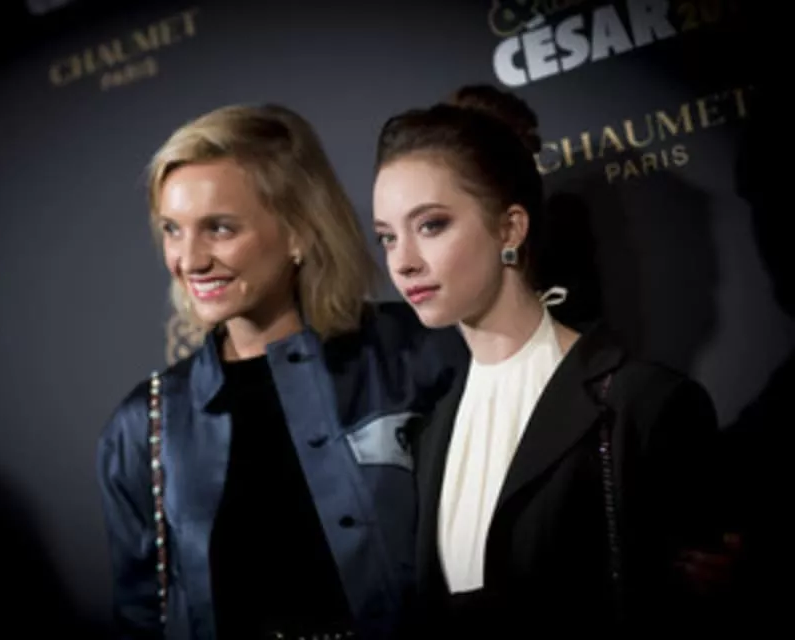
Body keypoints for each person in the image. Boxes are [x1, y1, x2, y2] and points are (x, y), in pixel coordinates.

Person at [96, 103, 464, 640]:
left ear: (299, 231)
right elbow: (140, 618)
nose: (189, 260)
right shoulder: (143, 425)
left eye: (219, 228)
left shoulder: (418, 354)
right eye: (173, 230)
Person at [371, 85, 721, 634]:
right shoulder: (431, 433)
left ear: (510, 227)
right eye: (387, 238)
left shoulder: (643, 405)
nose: (403, 262)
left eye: (431, 225)